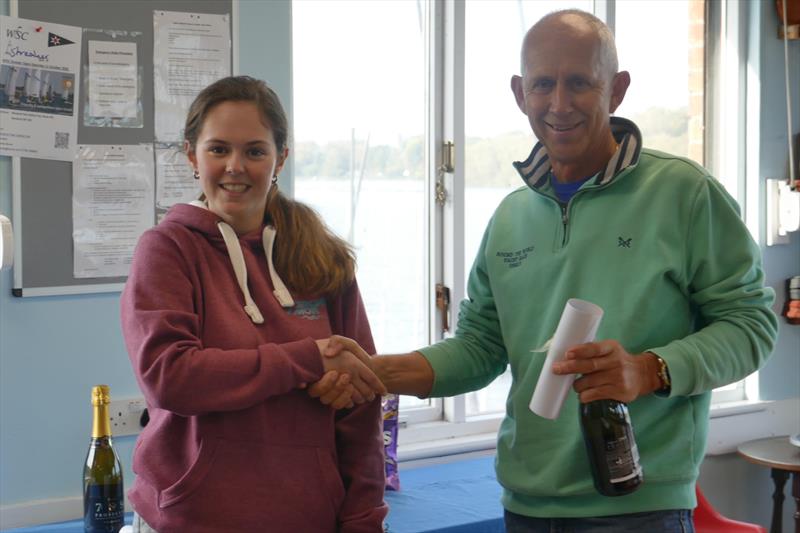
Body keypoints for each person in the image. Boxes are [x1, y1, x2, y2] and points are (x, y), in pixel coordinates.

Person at [310, 9, 778, 533]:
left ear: (617, 90)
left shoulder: (684, 194)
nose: (559, 104)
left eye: (579, 83)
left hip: (640, 509)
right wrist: (375, 372)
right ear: (519, 93)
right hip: (526, 507)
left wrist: (649, 370)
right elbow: (480, 348)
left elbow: (752, 326)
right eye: (542, 85)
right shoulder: (510, 217)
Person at [120, 75, 388, 533]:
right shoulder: (167, 250)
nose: (235, 167)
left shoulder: (324, 258)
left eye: (255, 151)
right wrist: (309, 360)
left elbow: (361, 405)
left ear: (280, 158)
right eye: (218, 149)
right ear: (192, 156)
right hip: (190, 519)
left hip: (309, 518)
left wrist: (365, 519)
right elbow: (171, 378)